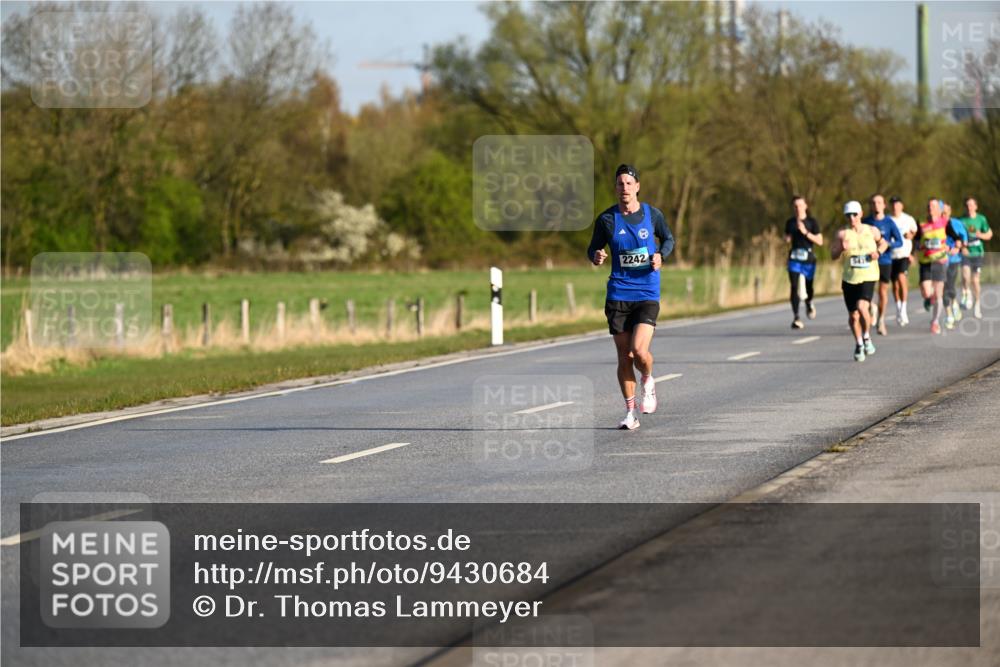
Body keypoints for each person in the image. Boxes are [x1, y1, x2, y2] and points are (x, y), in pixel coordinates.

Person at [588, 164, 674, 430]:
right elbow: (593, 248)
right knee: (624, 357)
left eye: (628, 183)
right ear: (615, 189)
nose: (624, 188)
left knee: (639, 350)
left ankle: (648, 378)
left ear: (637, 187)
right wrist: (597, 256)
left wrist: (662, 255)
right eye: (619, 184)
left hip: (647, 291)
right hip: (618, 293)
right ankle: (630, 413)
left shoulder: (652, 215)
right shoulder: (607, 220)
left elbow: (669, 239)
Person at [832, 201, 886, 361]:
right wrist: (840, 249)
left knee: (862, 307)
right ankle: (859, 343)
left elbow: (884, 243)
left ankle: (867, 336)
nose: (852, 218)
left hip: (868, 276)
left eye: (855, 214)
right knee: (853, 316)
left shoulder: (872, 230)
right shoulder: (842, 234)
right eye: (848, 215)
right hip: (849, 279)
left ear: (861, 214)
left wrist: (878, 252)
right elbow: (833, 255)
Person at [862, 193, 903, 335]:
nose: (876, 205)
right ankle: (871, 307)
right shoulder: (865, 221)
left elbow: (900, 241)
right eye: (873, 203)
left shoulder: (889, 222)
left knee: (882, 291)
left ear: (884, 205)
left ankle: (881, 320)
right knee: (868, 291)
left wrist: (887, 244)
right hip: (868, 261)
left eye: (879, 202)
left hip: (885, 260)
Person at [914, 198, 955, 334]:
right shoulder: (921, 222)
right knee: (926, 291)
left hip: (940, 261)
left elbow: (955, 238)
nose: (931, 208)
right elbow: (916, 239)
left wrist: (954, 247)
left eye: (934, 206)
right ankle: (929, 297)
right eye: (929, 206)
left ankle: (935, 321)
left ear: (939, 209)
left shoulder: (945, 222)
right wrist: (917, 247)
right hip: (925, 261)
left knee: (938, 294)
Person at [783, 195, 823, 329]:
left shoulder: (812, 222)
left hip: (808, 259)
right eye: (795, 206)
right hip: (794, 258)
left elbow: (820, 241)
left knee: (809, 286)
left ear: (805, 206)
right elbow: (787, 238)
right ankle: (796, 317)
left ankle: (809, 302)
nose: (797, 208)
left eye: (800, 205)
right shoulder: (790, 222)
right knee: (794, 287)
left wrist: (805, 232)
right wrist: (786, 239)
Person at [888, 196, 918, 326]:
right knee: (894, 285)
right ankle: (898, 307)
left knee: (901, 278)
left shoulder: (908, 219)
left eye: (897, 204)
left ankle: (904, 310)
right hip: (890, 255)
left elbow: (915, 233)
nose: (895, 207)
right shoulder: (887, 220)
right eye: (893, 204)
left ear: (902, 206)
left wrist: (910, 236)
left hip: (904, 253)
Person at [960, 196, 993, 319]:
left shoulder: (981, 219)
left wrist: (981, 235)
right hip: (966, 252)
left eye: (971, 205)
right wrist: (962, 246)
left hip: (978, 252)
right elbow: (957, 236)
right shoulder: (961, 220)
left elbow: (989, 234)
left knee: (975, 280)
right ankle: (967, 294)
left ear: (976, 206)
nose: (969, 207)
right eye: (967, 205)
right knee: (965, 275)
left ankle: (977, 304)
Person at [942, 202, 967, 329]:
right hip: (939, 261)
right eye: (942, 212)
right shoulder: (937, 224)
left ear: (950, 211)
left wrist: (958, 247)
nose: (944, 214)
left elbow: (963, 240)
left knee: (949, 286)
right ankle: (948, 314)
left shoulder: (956, 223)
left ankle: (954, 302)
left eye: (946, 212)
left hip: (953, 259)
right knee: (943, 288)